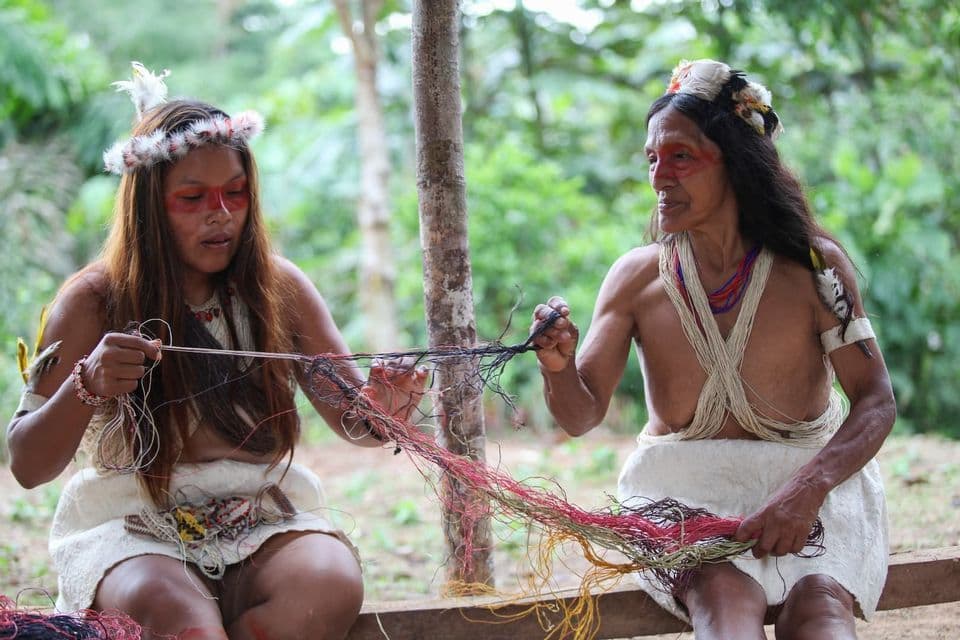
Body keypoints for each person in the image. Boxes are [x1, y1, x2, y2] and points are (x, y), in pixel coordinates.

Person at [6, 62, 427, 640]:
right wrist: (88, 383)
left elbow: (357, 422)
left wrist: (387, 408)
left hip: (259, 517)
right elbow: (28, 465)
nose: (220, 214)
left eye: (235, 193)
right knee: (183, 623)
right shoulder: (92, 301)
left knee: (328, 584)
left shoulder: (281, 289)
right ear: (149, 206)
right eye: (192, 198)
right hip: (133, 528)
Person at [531, 59, 896, 640]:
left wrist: (807, 491)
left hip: (810, 478)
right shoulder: (636, 280)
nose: (658, 176)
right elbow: (581, 414)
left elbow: (877, 401)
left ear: (738, 164)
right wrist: (557, 368)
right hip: (681, 490)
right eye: (651, 158)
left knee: (822, 611)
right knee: (724, 604)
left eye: (681, 156)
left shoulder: (812, 267)